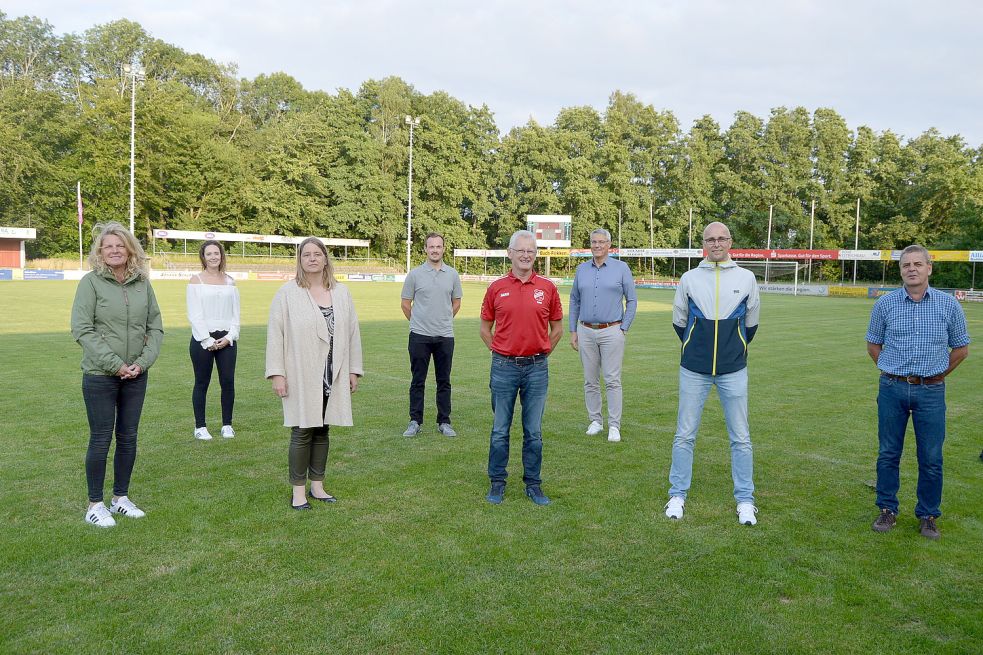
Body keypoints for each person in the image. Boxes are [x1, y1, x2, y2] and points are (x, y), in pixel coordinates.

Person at [866, 244, 970, 540]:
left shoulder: (949, 305)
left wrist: (937, 375)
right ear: (900, 270)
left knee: (932, 456)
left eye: (917, 264)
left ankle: (927, 514)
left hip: (931, 392)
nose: (911, 269)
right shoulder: (885, 305)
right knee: (888, 453)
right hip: (892, 388)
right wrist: (893, 372)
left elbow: (961, 349)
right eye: (906, 265)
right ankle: (887, 509)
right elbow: (874, 345)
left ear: (929, 268)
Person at [665, 221, 760, 525]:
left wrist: (735, 346)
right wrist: (698, 345)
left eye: (721, 238)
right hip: (694, 368)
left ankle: (745, 500)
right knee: (684, 435)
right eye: (710, 239)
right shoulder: (689, 278)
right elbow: (680, 322)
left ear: (730, 242)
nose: (716, 243)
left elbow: (751, 322)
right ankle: (677, 494)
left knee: (741, 438)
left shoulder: (746, 278)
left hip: (733, 369)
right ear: (703, 244)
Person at [71, 222, 164, 528]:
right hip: (100, 374)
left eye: (119, 245)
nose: (113, 250)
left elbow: (155, 327)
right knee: (100, 439)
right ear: (100, 251)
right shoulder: (90, 283)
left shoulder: (142, 284)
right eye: (107, 246)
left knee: (128, 437)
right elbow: (82, 329)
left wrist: (142, 362)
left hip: (136, 374)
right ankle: (94, 504)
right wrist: (115, 364)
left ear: (129, 250)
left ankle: (120, 498)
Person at [266, 237, 363, 510]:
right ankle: (298, 492)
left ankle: (318, 486)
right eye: (306, 254)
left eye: (316, 254)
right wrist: (277, 374)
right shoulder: (288, 293)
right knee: (302, 429)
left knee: (323, 429)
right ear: (300, 260)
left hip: (334, 371)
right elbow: (276, 334)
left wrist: (354, 370)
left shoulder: (341, 293)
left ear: (325, 258)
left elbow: (353, 332)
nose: (311, 258)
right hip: (301, 371)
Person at [479, 230, 563, 506]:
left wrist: (543, 350)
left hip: (537, 369)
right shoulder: (496, 288)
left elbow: (558, 328)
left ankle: (533, 484)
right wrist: (500, 350)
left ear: (535, 254)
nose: (526, 255)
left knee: (534, 431)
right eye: (521, 250)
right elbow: (484, 327)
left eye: (531, 250)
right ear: (510, 253)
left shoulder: (548, 288)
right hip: (503, 367)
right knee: (500, 429)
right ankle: (497, 482)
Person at [569, 228, 637, 443]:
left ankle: (614, 425)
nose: (597, 245)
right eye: (593, 242)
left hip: (612, 330)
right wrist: (573, 330)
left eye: (601, 242)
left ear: (609, 245)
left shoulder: (621, 268)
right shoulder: (581, 269)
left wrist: (623, 327)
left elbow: (632, 300)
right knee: (590, 380)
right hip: (585, 330)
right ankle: (595, 421)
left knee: (612, 380)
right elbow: (574, 300)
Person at [400, 232, 463, 437]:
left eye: (438, 246)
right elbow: (405, 303)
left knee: (444, 380)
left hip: (445, 336)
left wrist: (444, 319)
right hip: (419, 336)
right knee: (418, 380)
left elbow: (456, 302)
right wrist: (419, 322)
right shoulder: (415, 274)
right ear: (425, 249)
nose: (435, 250)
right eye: (431, 246)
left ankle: (444, 421)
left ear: (443, 249)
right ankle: (415, 421)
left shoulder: (452, 274)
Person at [187, 240, 240, 440]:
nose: (213, 257)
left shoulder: (230, 281)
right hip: (203, 340)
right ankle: (200, 427)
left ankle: (227, 425)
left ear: (221, 255)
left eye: (216, 253)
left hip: (226, 339)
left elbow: (236, 315)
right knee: (202, 382)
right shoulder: (196, 281)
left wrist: (229, 337)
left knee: (227, 382)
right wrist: (207, 340)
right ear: (203, 257)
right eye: (209, 254)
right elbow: (195, 314)